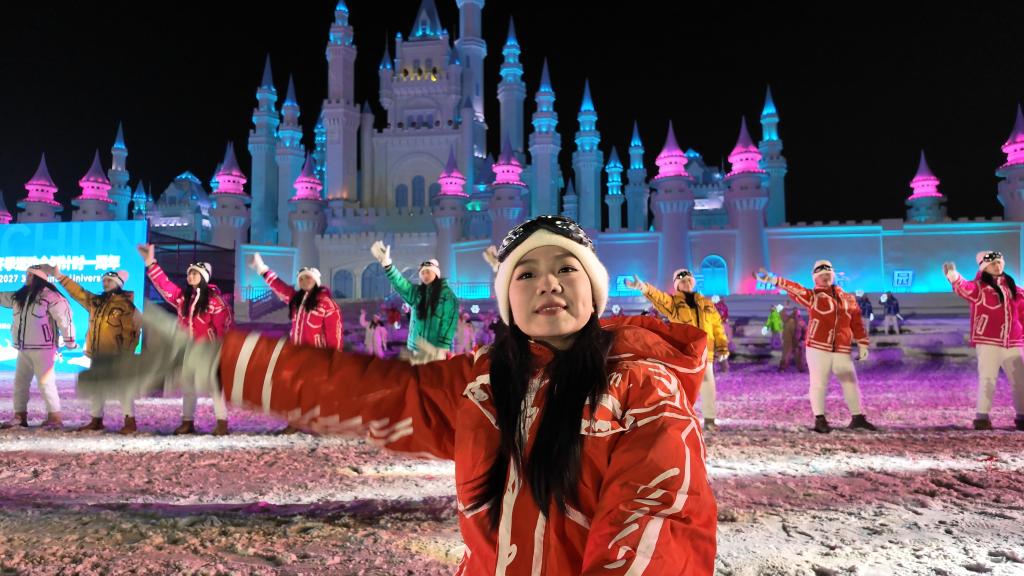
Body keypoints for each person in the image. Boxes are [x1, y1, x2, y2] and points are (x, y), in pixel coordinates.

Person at [82, 215, 718, 574]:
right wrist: (214, 362)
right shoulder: (483, 385)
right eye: (525, 272)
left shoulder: (642, 388)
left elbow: (654, 528)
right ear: (509, 298)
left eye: (565, 268)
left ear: (593, 288)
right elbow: (367, 392)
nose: (547, 283)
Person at [755, 260, 878, 433]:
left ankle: (857, 417)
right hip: (818, 347)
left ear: (833, 275)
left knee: (850, 381)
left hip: (841, 347)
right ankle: (820, 419)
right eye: (821, 274)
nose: (825, 276)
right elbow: (795, 288)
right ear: (815, 278)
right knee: (819, 383)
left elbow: (856, 322)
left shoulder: (848, 298)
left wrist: (862, 342)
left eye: (828, 273)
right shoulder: (813, 296)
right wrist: (773, 280)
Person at [139, 244, 233, 435]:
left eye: (195, 273)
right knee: (189, 386)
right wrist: (150, 263)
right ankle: (187, 422)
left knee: (215, 387)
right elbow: (166, 286)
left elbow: (224, 326)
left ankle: (222, 423)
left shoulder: (215, 301)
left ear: (204, 277)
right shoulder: (184, 298)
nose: (190, 276)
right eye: (189, 273)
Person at [626, 267, 729, 432]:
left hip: (705, 352)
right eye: (682, 281)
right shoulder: (673, 303)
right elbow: (659, 298)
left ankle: (709, 419)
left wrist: (722, 346)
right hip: (685, 351)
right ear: (677, 285)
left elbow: (717, 327)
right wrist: (643, 287)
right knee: (682, 388)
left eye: (688, 280)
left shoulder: (707, 303)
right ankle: (680, 419)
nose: (686, 283)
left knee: (708, 385)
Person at [40, 265, 141, 433]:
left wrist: (126, 353)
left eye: (109, 281)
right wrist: (59, 276)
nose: (105, 283)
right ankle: (96, 420)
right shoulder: (96, 302)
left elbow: (132, 332)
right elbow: (78, 292)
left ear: (118, 283)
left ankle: (130, 421)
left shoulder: (126, 306)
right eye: (104, 280)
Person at [249, 253, 342, 433]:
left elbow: (334, 332)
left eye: (308, 277)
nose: (305, 281)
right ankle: (294, 423)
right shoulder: (295, 299)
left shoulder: (327, 304)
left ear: (316, 281)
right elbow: (279, 286)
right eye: (301, 278)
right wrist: (261, 268)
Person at [945, 251, 1024, 431]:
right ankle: (982, 417)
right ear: (984, 267)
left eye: (999, 262)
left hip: (1013, 342)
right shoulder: (979, 288)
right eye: (993, 263)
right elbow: (965, 288)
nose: (997, 266)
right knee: (987, 379)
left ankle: (1022, 415)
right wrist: (954, 276)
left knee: (1020, 380)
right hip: (988, 341)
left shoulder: (1016, 289)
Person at [0, 266, 76, 430]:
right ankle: (20, 416)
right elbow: (2, 297)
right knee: (20, 383)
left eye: (30, 274)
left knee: (46, 383)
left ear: (38, 278)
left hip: (44, 349)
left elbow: (65, 319)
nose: (27, 277)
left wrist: (69, 340)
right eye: (26, 274)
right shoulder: (20, 296)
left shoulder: (51, 296)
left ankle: (55, 416)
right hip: (23, 348)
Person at [369, 243, 459, 364]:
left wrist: (443, 346)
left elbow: (449, 321)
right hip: (417, 348)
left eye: (428, 272)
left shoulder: (446, 295)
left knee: (434, 375)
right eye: (422, 273)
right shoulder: (418, 293)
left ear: (436, 273)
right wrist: (388, 265)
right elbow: (401, 284)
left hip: (436, 349)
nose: (425, 275)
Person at [779, 301, 807, 372]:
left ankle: (801, 369)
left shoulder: (800, 322)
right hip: (789, 341)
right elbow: (782, 314)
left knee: (799, 356)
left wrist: (803, 340)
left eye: (797, 312)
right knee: (787, 355)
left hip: (797, 341)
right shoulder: (788, 320)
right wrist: (785, 307)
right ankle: (782, 368)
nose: (795, 313)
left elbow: (805, 332)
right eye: (795, 311)